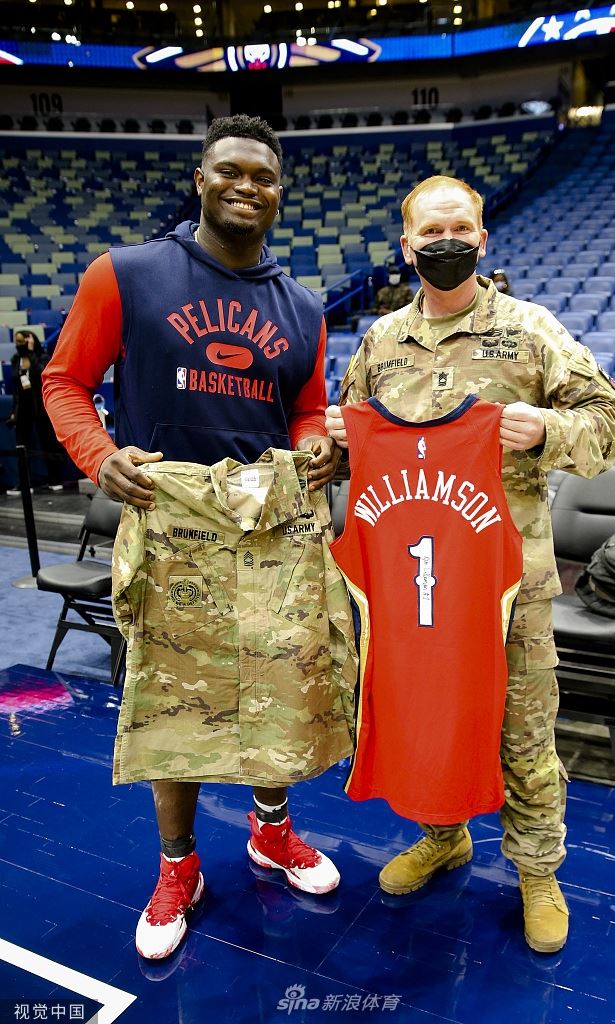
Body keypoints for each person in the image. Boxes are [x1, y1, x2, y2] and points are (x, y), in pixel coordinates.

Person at [43, 114, 351, 962]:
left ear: (279, 192)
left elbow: (305, 407)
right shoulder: (127, 273)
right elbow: (65, 381)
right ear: (201, 180)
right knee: (174, 702)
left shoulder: (302, 305)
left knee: (280, 686)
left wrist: (316, 445)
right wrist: (99, 456)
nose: (247, 186)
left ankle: (271, 833)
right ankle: (178, 866)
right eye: (231, 171)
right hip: (172, 523)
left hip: (272, 529)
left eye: (263, 176)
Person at [325, 174, 615, 954]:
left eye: (459, 228)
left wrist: (548, 430)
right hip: (415, 589)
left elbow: (608, 424)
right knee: (430, 714)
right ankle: (443, 833)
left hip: (508, 583)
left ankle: (537, 872)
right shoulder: (380, 340)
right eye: (430, 232)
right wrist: (333, 441)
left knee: (523, 729)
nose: (446, 242)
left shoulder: (529, 329)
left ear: (482, 238)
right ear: (406, 246)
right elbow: (351, 452)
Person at [7, 330, 64, 493]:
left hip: (40, 406)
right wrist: (14, 410)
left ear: (30, 341)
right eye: (17, 342)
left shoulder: (42, 357)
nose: (19, 345)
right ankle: (24, 483)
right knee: (21, 445)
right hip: (23, 407)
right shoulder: (16, 359)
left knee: (48, 443)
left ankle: (54, 479)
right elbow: (16, 388)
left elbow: (41, 376)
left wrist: (31, 353)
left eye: (22, 341)